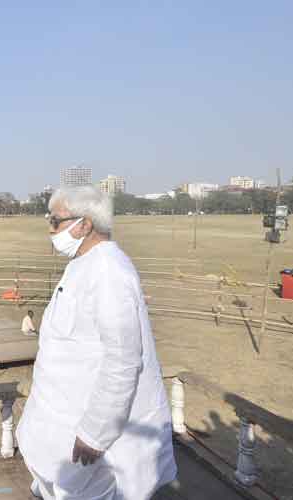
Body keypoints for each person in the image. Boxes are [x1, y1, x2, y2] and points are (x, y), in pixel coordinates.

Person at [17, 185, 176, 500]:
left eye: (55, 221)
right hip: (63, 425)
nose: (50, 229)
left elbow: (123, 361)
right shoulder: (83, 264)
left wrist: (96, 432)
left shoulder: (108, 270)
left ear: (85, 224)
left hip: (94, 444)